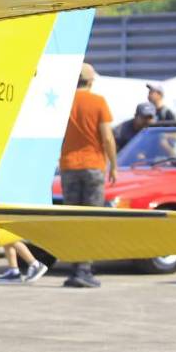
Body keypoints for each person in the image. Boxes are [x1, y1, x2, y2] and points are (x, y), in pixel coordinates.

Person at [58, 63, 116, 288]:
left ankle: (75, 269)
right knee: (91, 219)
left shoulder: (64, 102)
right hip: (93, 166)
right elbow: (108, 137)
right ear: (91, 81)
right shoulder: (98, 102)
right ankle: (85, 270)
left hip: (68, 166)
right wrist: (114, 165)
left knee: (73, 219)